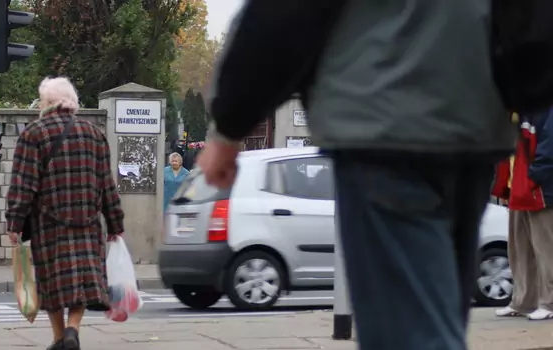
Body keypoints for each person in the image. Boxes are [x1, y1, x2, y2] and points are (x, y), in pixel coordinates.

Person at [196, 1, 515, 349]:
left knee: (410, 334)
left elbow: (283, 16)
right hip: (476, 120)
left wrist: (230, 125)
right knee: (436, 319)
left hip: (382, 125)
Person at [6, 77, 125, 350]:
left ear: (48, 103)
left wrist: (14, 222)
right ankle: (71, 330)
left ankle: (60, 337)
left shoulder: (34, 133)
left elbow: (23, 185)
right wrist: (116, 223)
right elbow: (107, 185)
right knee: (82, 281)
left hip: (49, 224)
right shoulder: (94, 133)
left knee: (53, 284)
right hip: (88, 223)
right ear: (71, 101)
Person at [493, 109, 553, 321]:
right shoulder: (517, 111)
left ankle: (550, 302)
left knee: (546, 248)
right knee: (520, 249)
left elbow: (549, 146)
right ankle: (523, 300)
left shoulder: (545, 107)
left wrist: (535, 177)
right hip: (517, 188)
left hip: (539, 189)